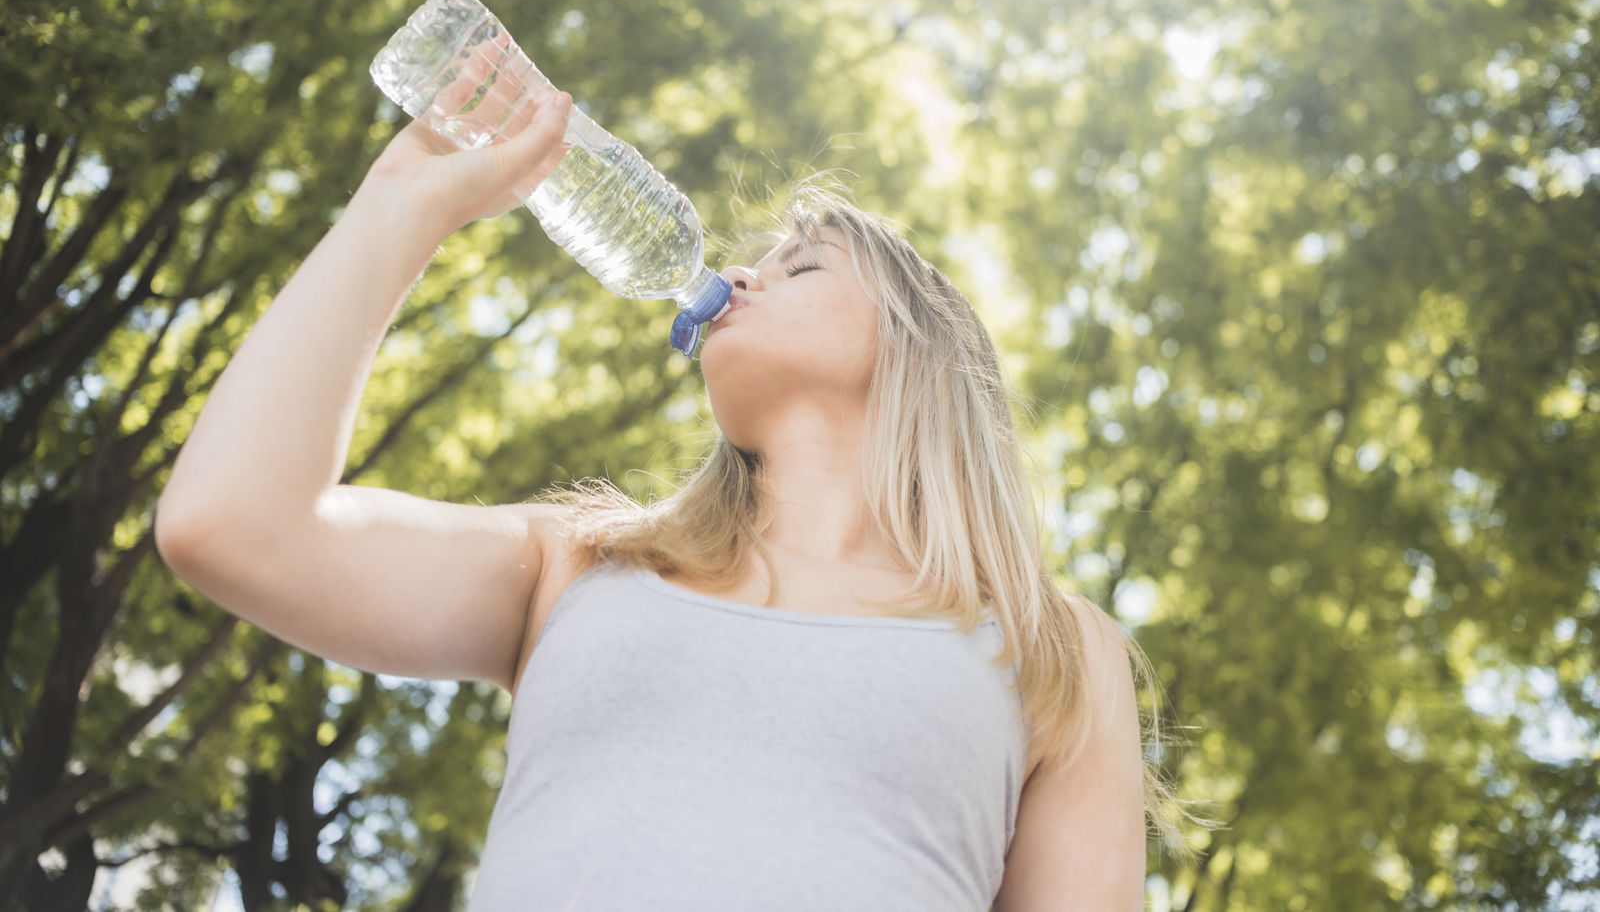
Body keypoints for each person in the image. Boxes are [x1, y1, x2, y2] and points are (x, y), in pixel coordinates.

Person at [156, 79, 1195, 911]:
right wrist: (400, 206)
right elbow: (233, 524)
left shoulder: (1048, 647)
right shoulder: (574, 564)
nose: (737, 280)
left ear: (917, 348)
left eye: (798, 267)